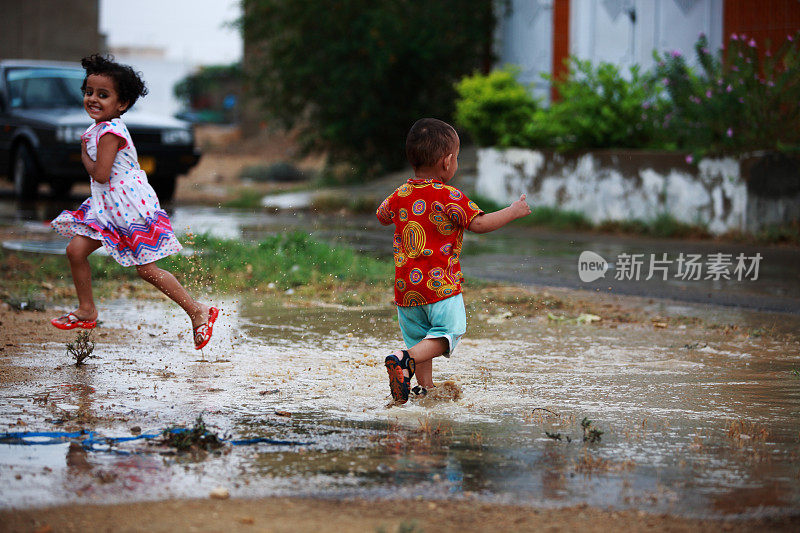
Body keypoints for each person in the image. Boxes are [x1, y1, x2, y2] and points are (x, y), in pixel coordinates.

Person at [49, 54, 219, 350]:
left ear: (122, 104)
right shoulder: (99, 129)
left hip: (126, 207)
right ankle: (86, 310)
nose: (93, 99)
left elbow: (101, 174)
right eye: (89, 93)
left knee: (147, 270)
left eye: (103, 95)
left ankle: (198, 311)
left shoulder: (109, 133)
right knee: (76, 251)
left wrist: (83, 155)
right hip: (106, 206)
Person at [377, 118, 531, 404]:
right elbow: (480, 224)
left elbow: (382, 215)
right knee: (448, 332)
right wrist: (513, 210)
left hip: (406, 291)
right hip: (440, 288)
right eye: (457, 157)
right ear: (447, 162)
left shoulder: (400, 193)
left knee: (422, 339)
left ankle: (424, 389)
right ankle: (402, 359)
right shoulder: (449, 196)